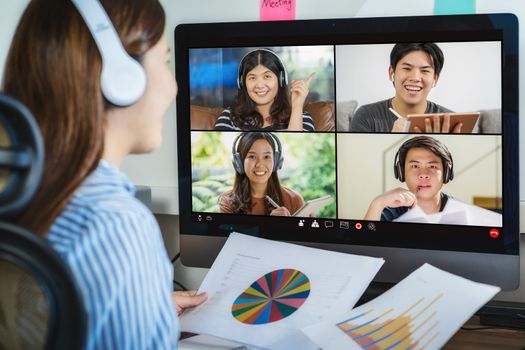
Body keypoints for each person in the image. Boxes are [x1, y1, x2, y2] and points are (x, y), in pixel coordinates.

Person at [3, 0, 206, 348]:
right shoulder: (116, 226)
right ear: (121, 79)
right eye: (166, 62)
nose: (174, 87)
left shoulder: (21, 194)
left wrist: (143, 307)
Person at [364, 136, 501, 226]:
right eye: (415, 166)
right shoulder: (389, 211)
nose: (423, 174)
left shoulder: (461, 212)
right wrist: (377, 203)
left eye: (432, 166)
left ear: (446, 173)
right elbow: (365, 245)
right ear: (401, 173)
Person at [349, 43, 462, 133]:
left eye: (425, 71)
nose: (415, 78)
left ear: (435, 79)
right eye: (407, 68)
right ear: (391, 73)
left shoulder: (450, 121)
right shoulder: (366, 117)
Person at [214, 49, 315, 131]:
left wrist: (297, 108)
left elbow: (297, 154)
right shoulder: (229, 117)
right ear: (242, 83)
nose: (259, 85)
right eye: (252, 78)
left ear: (281, 80)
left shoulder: (302, 119)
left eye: (267, 76)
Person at [219, 132, 305, 215]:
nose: (259, 164)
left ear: (276, 161)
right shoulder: (228, 201)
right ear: (239, 163)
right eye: (252, 156)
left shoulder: (294, 200)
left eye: (266, 157)